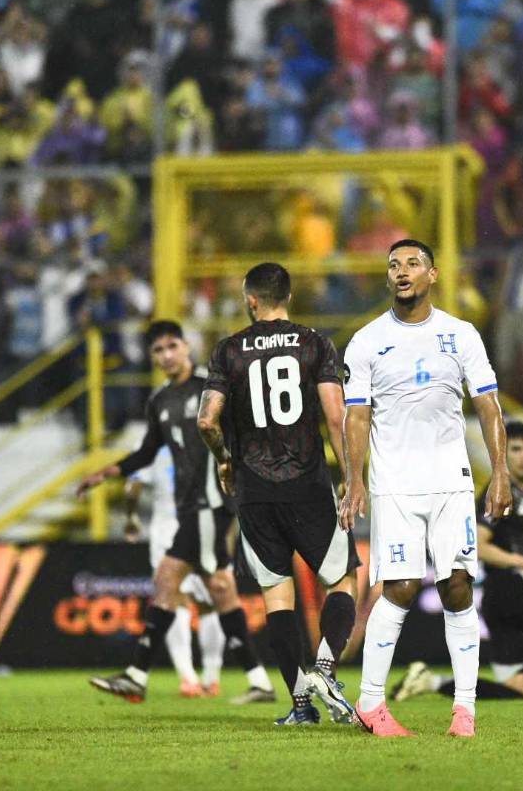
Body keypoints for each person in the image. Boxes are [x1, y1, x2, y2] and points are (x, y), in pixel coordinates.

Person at [340, 238, 512, 738]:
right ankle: (370, 704)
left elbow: (488, 406)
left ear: (432, 274)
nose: (401, 271)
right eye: (393, 264)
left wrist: (499, 472)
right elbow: (356, 416)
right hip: (394, 483)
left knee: (457, 585)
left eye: (412, 263)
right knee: (399, 587)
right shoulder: (367, 341)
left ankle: (465, 709)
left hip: (451, 482)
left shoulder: (461, 336)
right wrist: (353, 481)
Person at [197, 262, 361, 727]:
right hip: (308, 484)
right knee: (342, 581)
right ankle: (326, 670)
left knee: (276, 596)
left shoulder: (228, 351)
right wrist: (351, 474)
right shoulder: (315, 343)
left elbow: (207, 421)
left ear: (251, 300)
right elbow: (335, 417)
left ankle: (301, 706)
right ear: (287, 296)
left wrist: (224, 459)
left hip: (253, 491)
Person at [78, 320, 274, 704]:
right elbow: (147, 452)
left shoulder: (211, 388)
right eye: (158, 350)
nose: (166, 355)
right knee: (219, 588)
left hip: (211, 503)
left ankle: (136, 675)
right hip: (191, 507)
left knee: (170, 578)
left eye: (172, 346)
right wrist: (105, 473)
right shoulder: (159, 401)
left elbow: (245, 431)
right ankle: (259, 680)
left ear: (187, 346)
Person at [391, 420, 523, 703]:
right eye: (516, 449)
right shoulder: (500, 491)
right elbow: (478, 544)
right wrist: (522, 563)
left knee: (515, 690)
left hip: (509, 601)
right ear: (503, 453)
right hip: (513, 587)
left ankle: (429, 681)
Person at [123, 445, 225, 698]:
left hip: (166, 531)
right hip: (203, 526)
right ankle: (210, 678)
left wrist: (131, 516)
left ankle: (188, 678)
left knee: (172, 598)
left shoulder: (154, 442)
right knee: (209, 602)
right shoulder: (208, 435)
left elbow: (132, 484)